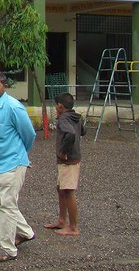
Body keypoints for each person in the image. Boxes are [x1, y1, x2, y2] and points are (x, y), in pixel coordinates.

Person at [0, 70, 36, 263]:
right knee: (1, 203)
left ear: (5, 86)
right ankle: (26, 232)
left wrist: (21, 156)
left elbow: (29, 135)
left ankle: (8, 249)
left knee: (6, 206)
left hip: (12, 164)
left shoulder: (14, 107)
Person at [44, 92, 85, 236]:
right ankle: (62, 220)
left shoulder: (63, 119)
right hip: (73, 158)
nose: (55, 108)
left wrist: (63, 150)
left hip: (68, 160)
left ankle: (73, 227)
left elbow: (71, 134)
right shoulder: (76, 117)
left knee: (68, 191)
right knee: (61, 189)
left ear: (60, 106)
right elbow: (82, 132)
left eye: (56, 106)